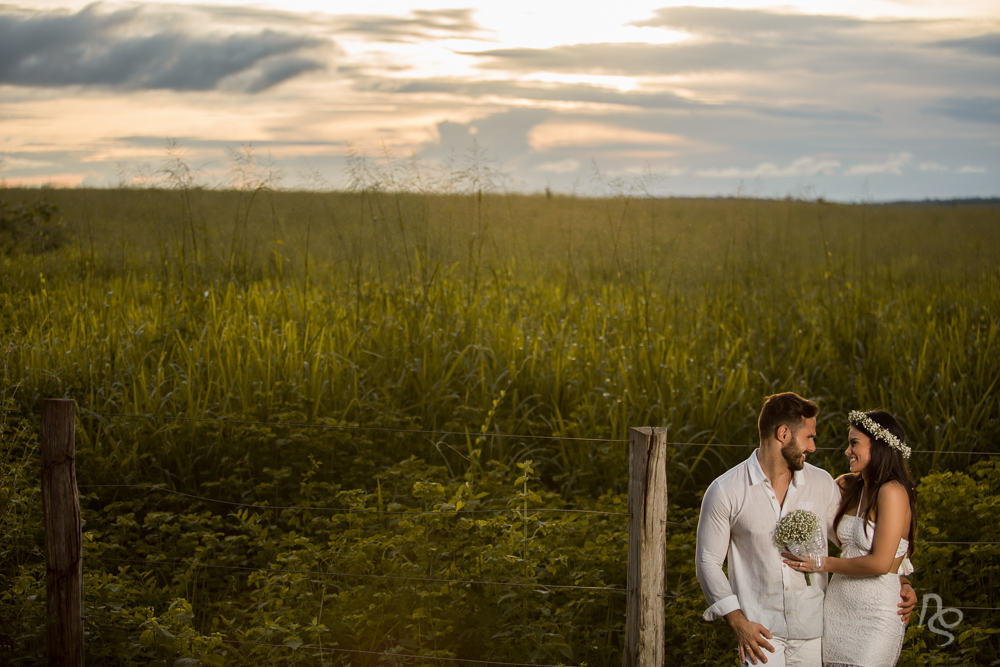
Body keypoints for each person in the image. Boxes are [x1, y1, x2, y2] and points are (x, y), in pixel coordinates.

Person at [696, 393, 916, 667]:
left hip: (815, 632)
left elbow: (858, 540)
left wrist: (900, 580)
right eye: (809, 437)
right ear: (784, 433)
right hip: (761, 632)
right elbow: (707, 561)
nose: (813, 447)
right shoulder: (725, 490)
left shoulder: (822, 484)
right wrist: (738, 622)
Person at [783, 409, 917, 667]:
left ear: (878, 446)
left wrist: (822, 563)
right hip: (837, 611)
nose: (847, 451)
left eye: (854, 443)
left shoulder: (892, 492)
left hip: (876, 617)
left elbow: (880, 564)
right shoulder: (847, 486)